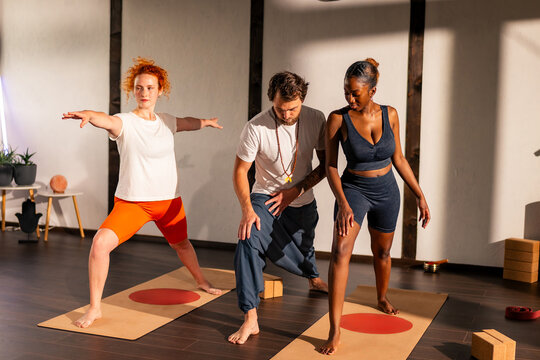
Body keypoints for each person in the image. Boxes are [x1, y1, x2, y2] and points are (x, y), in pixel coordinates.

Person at [62, 57, 223, 328]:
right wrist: (89, 115)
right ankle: (95, 308)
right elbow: (106, 120)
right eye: (139, 88)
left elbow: (186, 122)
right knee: (100, 245)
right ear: (133, 90)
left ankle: (201, 280)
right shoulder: (125, 122)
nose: (144, 93)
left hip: (169, 202)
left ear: (160, 90)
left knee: (182, 245)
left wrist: (206, 121)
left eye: (150, 88)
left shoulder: (167, 121)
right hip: (133, 204)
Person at [319, 58, 431, 355]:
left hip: (387, 191)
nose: (349, 98)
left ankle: (382, 297)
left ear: (372, 90)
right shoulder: (337, 119)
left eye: (355, 93)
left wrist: (419, 195)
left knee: (382, 251)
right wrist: (342, 203)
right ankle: (334, 329)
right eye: (346, 92)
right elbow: (330, 166)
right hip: (354, 190)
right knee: (340, 251)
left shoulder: (390, 114)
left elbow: (400, 159)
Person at [228, 71, 328, 345]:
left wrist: (296, 191)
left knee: (305, 244)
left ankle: (313, 277)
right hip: (265, 198)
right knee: (247, 238)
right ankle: (250, 317)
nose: (286, 115)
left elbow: (325, 166)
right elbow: (240, 172)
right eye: (280, 109)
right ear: (272, 101)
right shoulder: (255, 127)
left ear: (302, 99)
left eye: (292, 109)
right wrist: (247, 209)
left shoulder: (316, 118)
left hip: (301, 198)